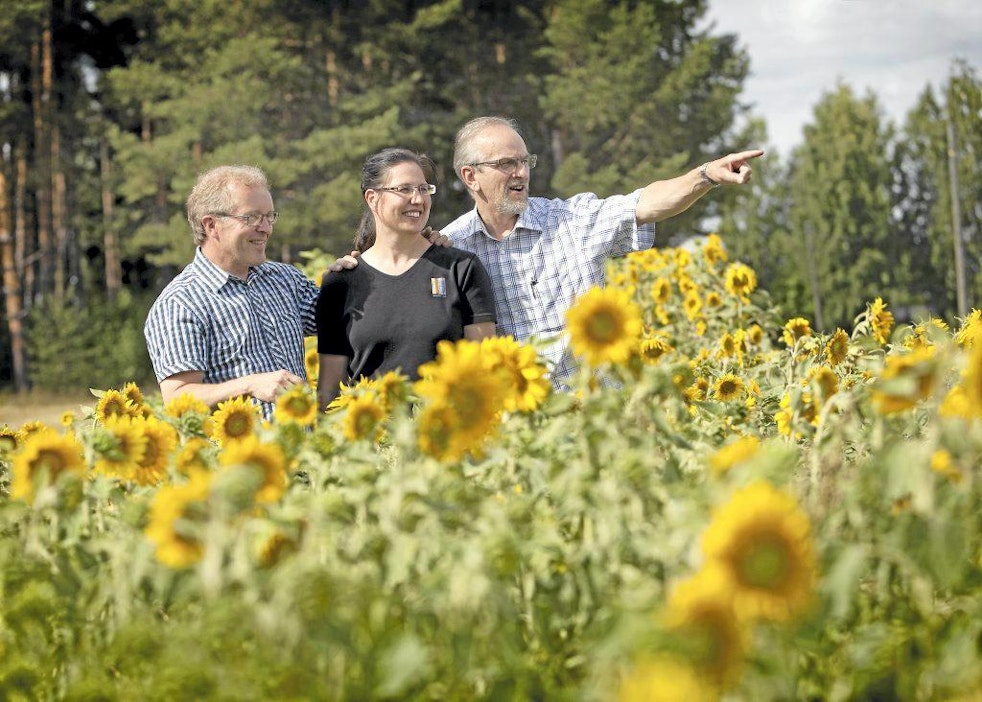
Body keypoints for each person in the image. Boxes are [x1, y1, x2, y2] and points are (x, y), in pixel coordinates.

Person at [333, 116, 763, 388]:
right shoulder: (451, 249)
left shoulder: (573, 220)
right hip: (525, 428)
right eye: (506, 164)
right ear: (470, 176)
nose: (520, 172)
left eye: (524, 161)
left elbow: (645, 203)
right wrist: (353, 269)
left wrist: (705, 175)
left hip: (600, 409)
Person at [316, 148, 497, 410]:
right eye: (404, 189)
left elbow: (483, 368)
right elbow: (330, 390)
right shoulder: (340, 283)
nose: (418, 199)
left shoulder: (461, 269)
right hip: (373, 431)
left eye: (424, 189)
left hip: (446, 427)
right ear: (372, 198)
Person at [144, 164, 318, 419]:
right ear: (211, 225)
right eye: (252, 217)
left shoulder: (285, 279)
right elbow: (178, 399)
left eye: (269, 216)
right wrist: (250, 385)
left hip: (304, 443)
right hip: (237, 446)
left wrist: (352, 275)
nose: (266, 228)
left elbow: (340, 319)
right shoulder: (181, 303)